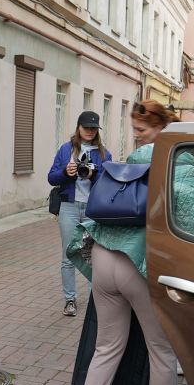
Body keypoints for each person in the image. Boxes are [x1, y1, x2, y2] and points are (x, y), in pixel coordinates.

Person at [65, 100, 194, 385]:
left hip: (103, 256)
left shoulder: (132, 162)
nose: (139, 138)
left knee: (106, 345)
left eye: (143, 131)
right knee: (160, 350)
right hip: (139, 264)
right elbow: (191, 222)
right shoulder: (183, 162)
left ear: (162, 127)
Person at [47, 110, 112, 317]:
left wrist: (93, 175)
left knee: (95, 256)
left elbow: (108, 184)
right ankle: (70, 300)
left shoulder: (104, 154)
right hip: (69, 207)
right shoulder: (66, 150)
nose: (90, 131)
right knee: (68, 255)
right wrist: (66, 173)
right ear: (78, 127)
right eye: (86, 127)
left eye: (94, 128)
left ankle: (96, 300)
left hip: (92, 209)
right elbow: (51, 178)